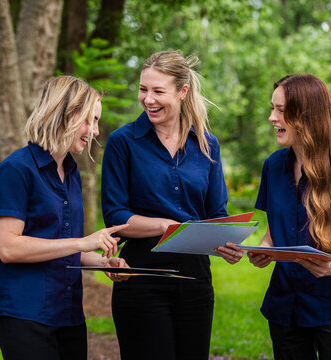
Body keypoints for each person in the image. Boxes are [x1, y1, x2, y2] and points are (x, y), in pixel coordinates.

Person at [101, 50, 241, 360]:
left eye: (157, 91)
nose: (148, 99)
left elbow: (216, 213)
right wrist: (168, 227)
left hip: (195, 280)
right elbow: (115, 215)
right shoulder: (123, 143)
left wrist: (227, 242)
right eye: (143, 89)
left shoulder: (207, 144)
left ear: (182, 92)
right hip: (140, 276)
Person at [0, 75, 129, 360]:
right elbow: (8, 248)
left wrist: (102, 261)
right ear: (63, 115)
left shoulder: (72, 174)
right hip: (26, 314)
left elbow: (63, 246)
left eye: (97, 121)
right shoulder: (15, 171)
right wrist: (82, 243)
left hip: (69, 314)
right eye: (90, 121)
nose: (96, 131)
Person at [246, 74, 331, 360]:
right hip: (284, 308)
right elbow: (272, 236)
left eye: (280, 110)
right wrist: (263, 251)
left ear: (306, 116)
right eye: (272, 108)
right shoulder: (273, 166)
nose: (271, 117)